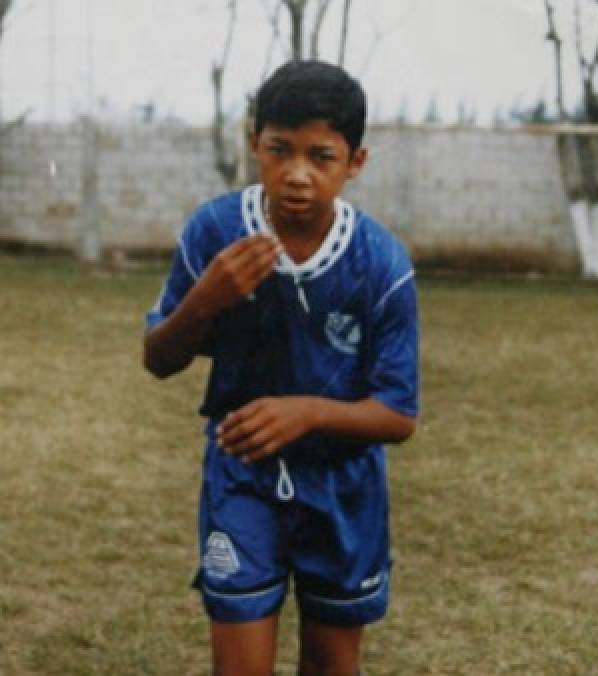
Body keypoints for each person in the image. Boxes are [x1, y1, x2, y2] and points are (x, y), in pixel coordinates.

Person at [142, 61, 419, 675]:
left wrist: (308, 413)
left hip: (344, 490)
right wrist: (205, 299)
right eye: (279, 150)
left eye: (321, 156)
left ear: (356, 162)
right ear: (254, 145)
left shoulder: (381, 263)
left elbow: (399, 415)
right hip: (242, 480)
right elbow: (158, 359)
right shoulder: (215, 231)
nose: (296, 174)